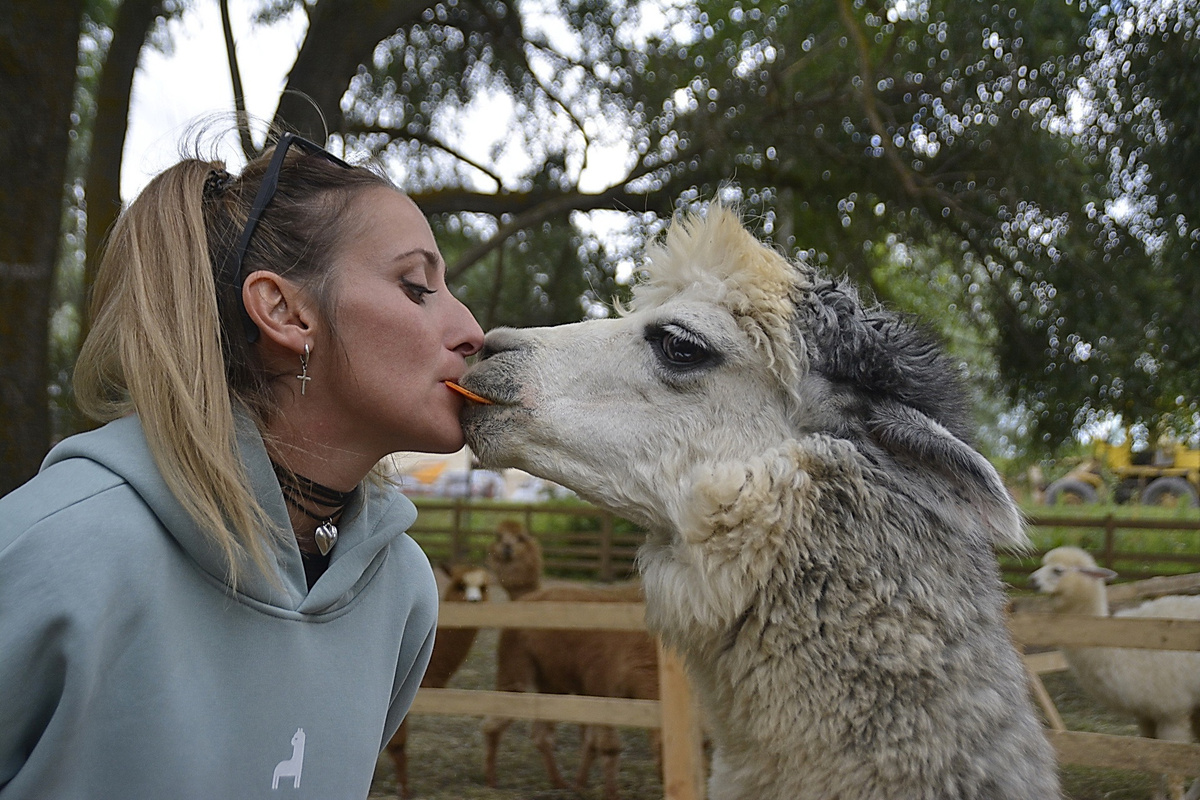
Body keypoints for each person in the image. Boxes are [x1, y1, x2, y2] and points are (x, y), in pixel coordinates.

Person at [0, 130, 485, 798]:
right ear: (284, 312)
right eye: (415, 286)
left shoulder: (401, 594)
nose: (472, 331)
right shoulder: (52, 552)